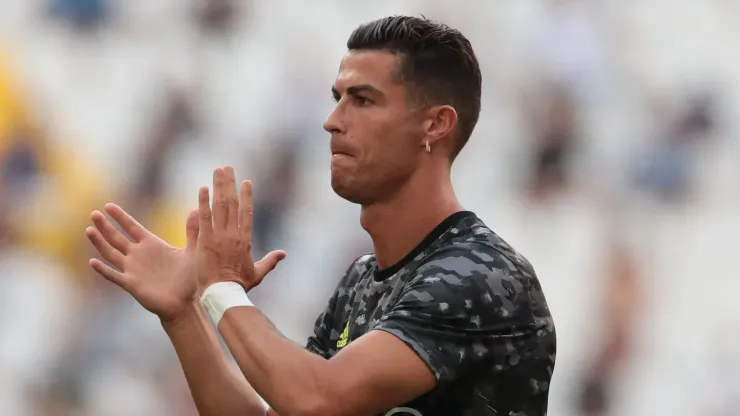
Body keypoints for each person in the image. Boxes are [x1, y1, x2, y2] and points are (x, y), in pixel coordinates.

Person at [85, 16, 557, 416]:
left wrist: (221, 288)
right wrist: (184, 314)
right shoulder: (359, 281)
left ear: (435, 124)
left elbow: (317, 398)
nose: (333, 120)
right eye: (337, 97)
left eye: (363, 100)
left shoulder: (484, 275)